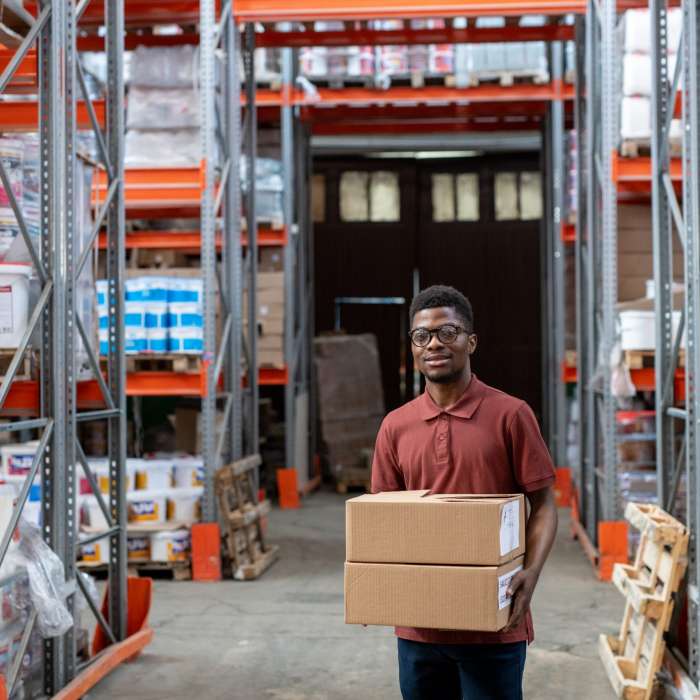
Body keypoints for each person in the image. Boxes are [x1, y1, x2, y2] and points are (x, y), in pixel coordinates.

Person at [371, 284, 558, 700]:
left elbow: (543, 504)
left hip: (494, 626)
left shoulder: (511, 415)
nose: (434, 343)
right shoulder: (395, 426)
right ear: (413, 348)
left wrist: (531, 573)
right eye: (422, 336)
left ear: (470, 341)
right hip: (418, 628)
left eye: (447, 333)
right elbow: (382, 519)